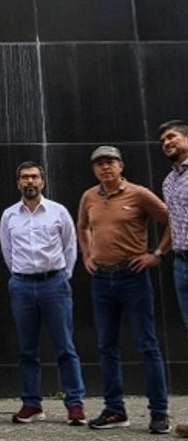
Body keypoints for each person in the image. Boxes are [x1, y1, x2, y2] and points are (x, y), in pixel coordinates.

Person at [77, 145, 171, 433]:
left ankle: (159, 412)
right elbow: (82, 226)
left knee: (147, 344)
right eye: (100, 164)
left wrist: (157, 253)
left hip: (133, 276)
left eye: (110, 162)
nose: (105, 168)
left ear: (121, 165)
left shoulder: (139, 194)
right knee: (107, 346)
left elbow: (172, 219)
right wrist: (87, 254)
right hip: (102, 280)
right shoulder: (89, 196)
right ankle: (114, 410)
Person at [0, 161, 86, 425]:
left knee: (65, 347)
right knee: (27, 349)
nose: (29, 182)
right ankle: (31, 403)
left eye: (34, 177)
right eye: (24, 178)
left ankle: (75, 404)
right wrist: (20, 275)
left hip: (54, 284)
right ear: (18, 183)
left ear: (42, 181)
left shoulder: (58, 212)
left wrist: (62, 277)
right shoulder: (9, 216)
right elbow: (7, 251)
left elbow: (70, 247)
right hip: (22, 285)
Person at [157, 120, 188, 439]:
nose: (166, 142)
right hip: (181, 262)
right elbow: (173, 223)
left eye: (172, 136)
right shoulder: (169, 181)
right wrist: (159, 251)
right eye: (163, 139)